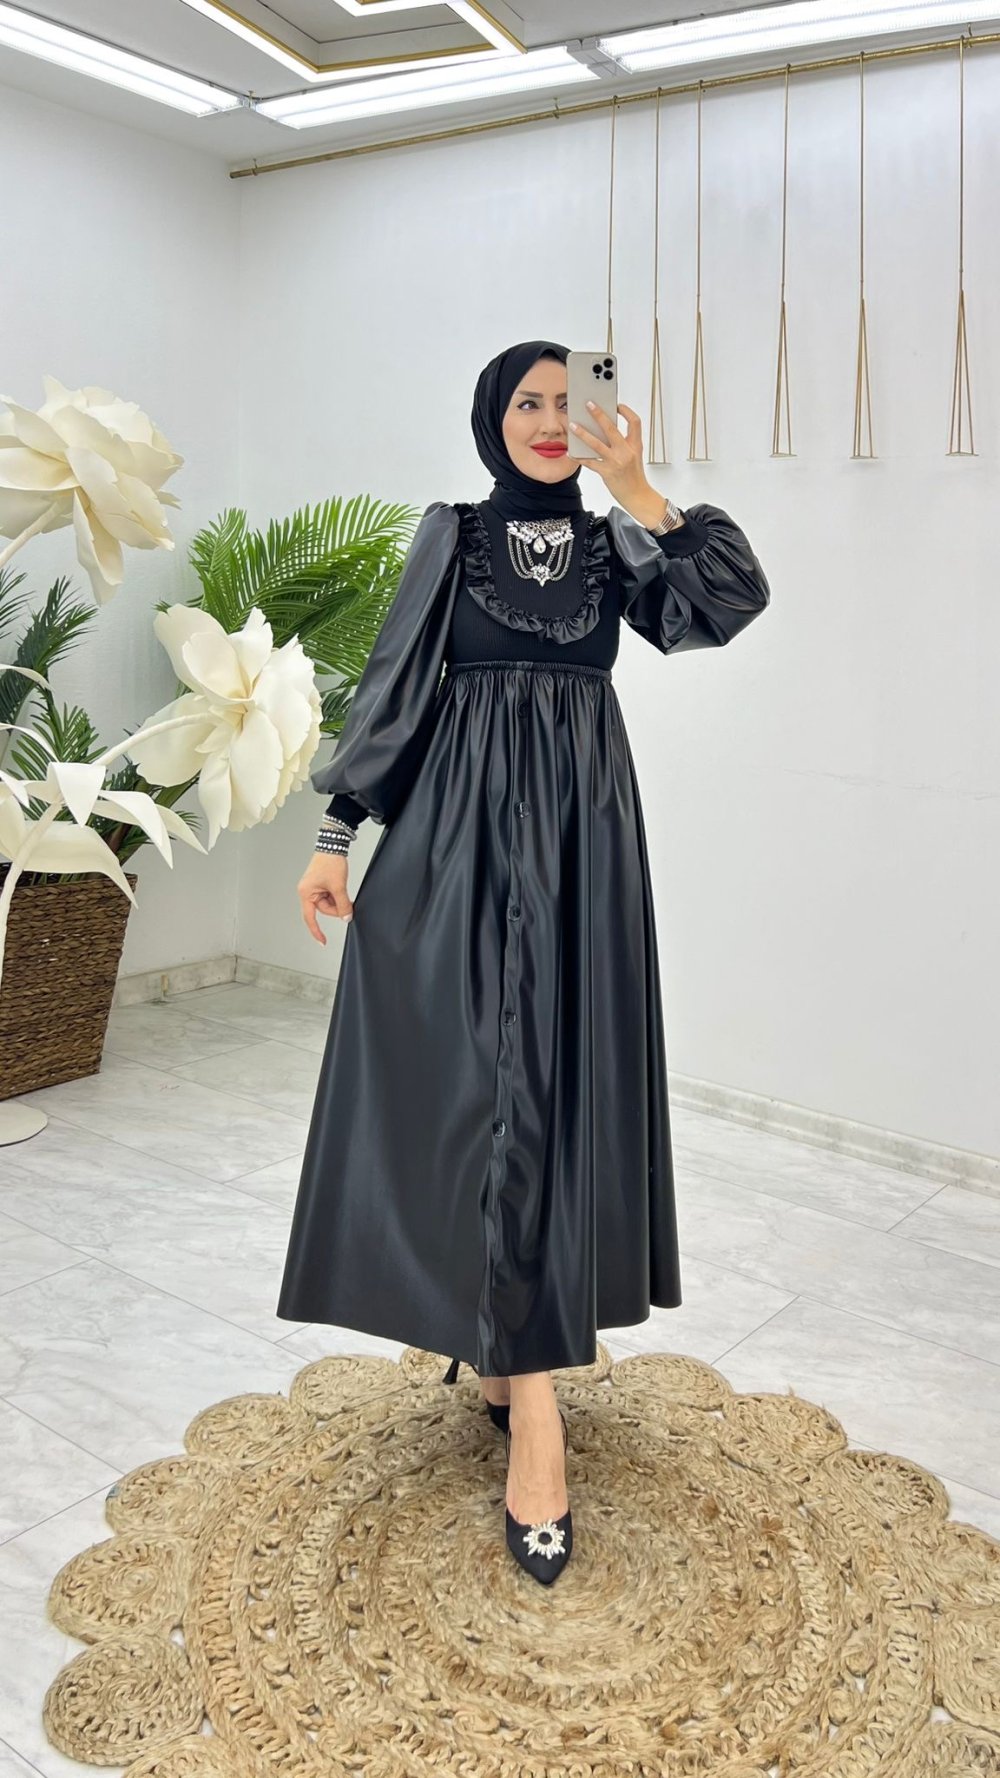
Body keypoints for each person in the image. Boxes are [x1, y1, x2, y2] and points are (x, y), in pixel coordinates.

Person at [278, 338, 771, 1585]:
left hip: (580, 845)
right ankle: (520, 1374)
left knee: (550, 1087)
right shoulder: (451, 535)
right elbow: (396, 689)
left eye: (571, 401)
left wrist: (640, 488)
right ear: (490, 418)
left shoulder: (617, 546)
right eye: (529, 402)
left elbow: (727, 602)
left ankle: (523, 1380)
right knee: (473, 1090)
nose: (552, 420)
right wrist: (336, 837)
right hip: (455, 840)